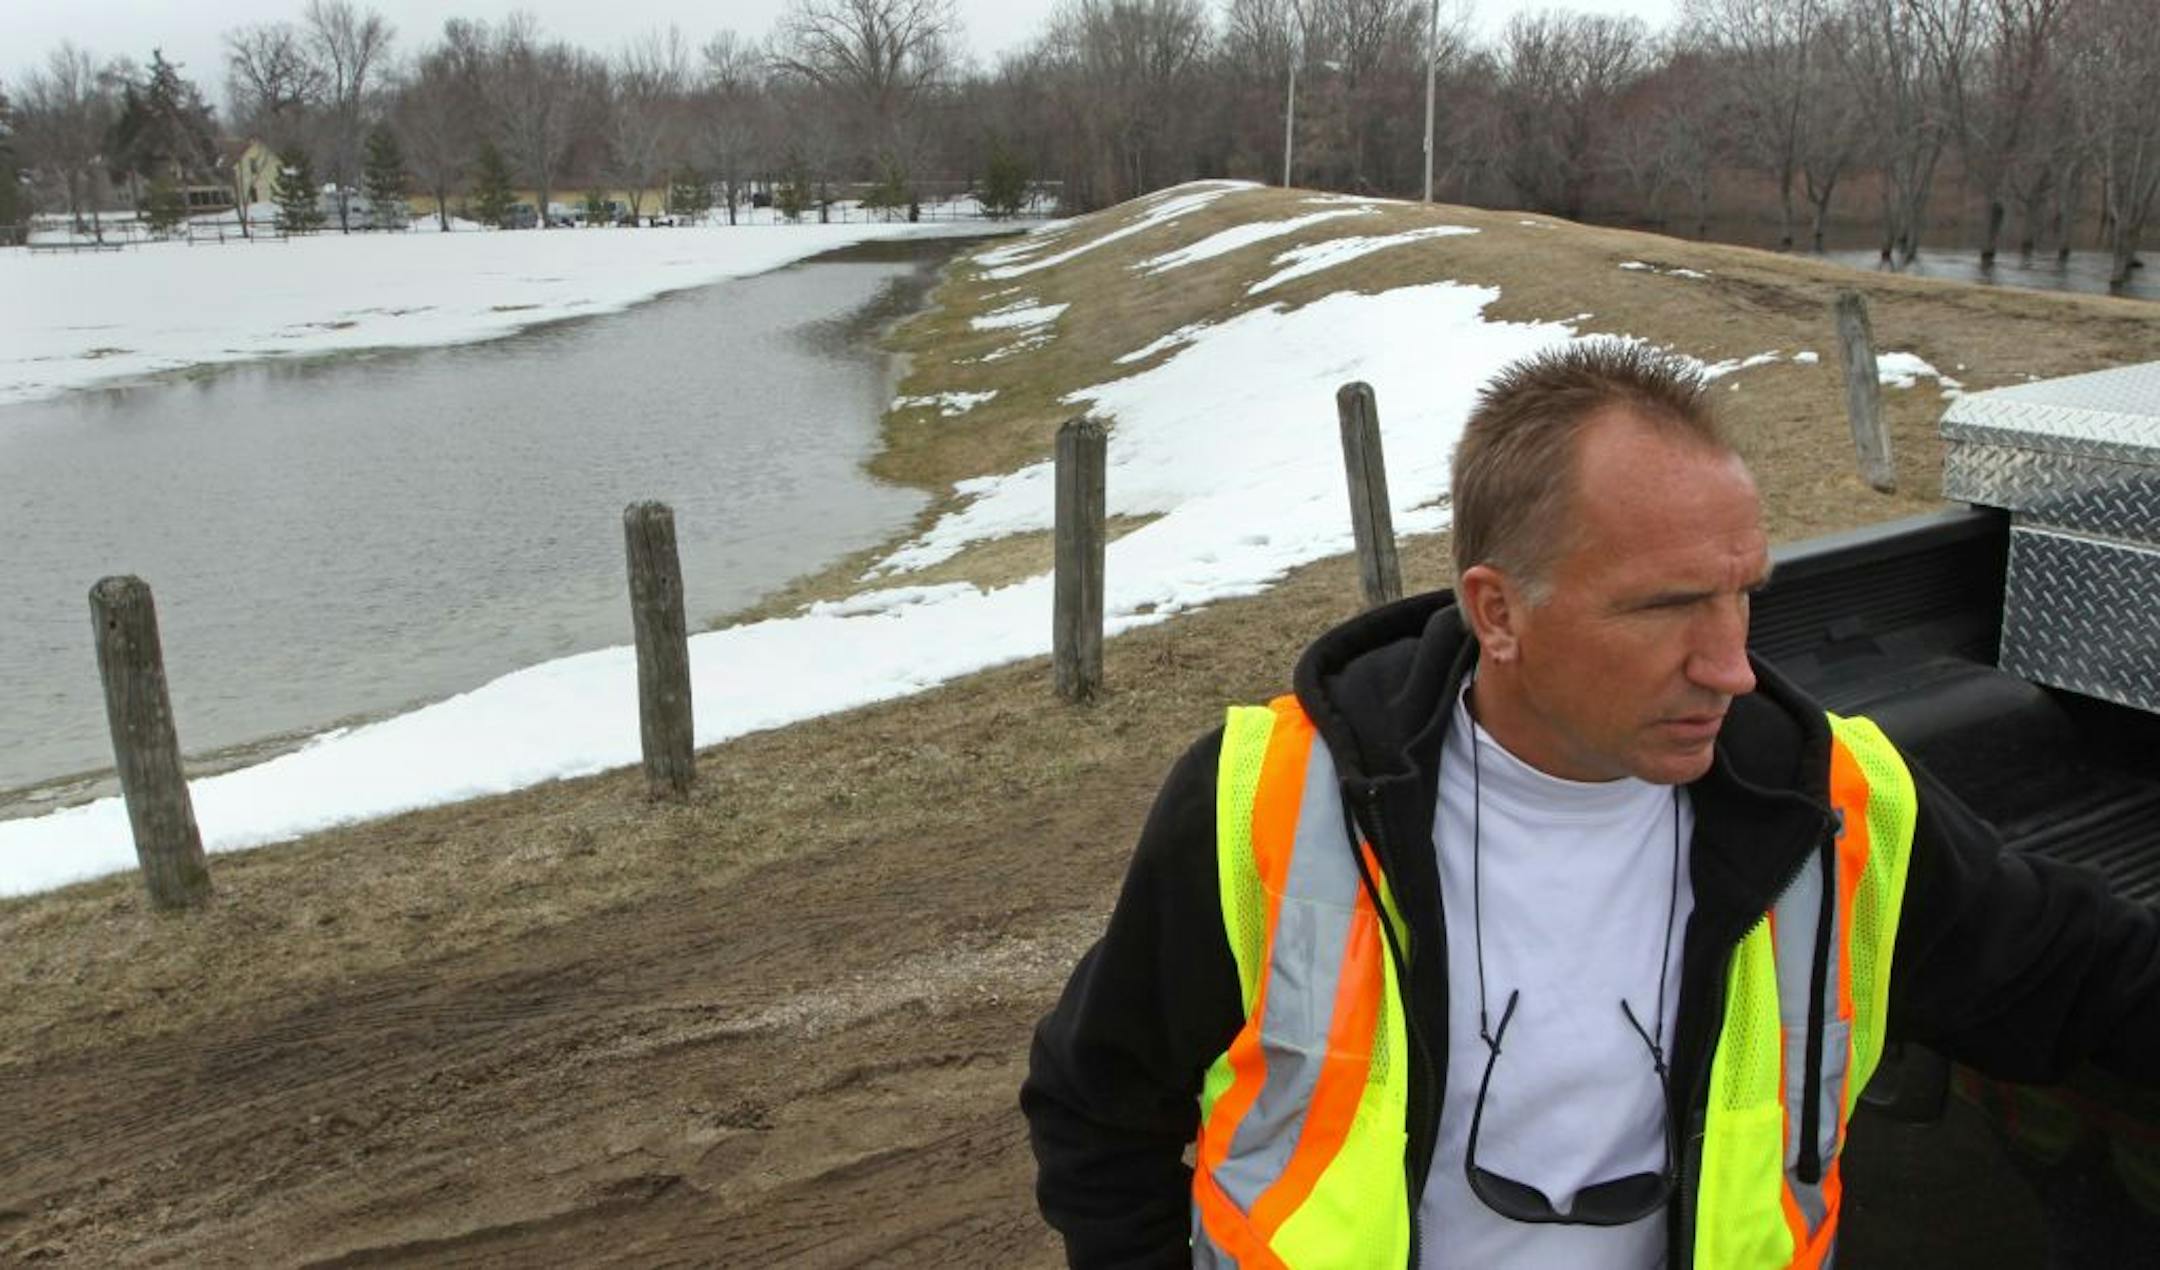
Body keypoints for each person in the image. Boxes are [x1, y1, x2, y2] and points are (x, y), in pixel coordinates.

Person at [1019, 341, 2160, 1269]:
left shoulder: (1833, 805)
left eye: (1742, 596)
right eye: (1667, 607)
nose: (1732, 666)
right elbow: (1096, 1107)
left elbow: (2086, 979)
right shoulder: (1272, 799)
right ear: (1498, 611)